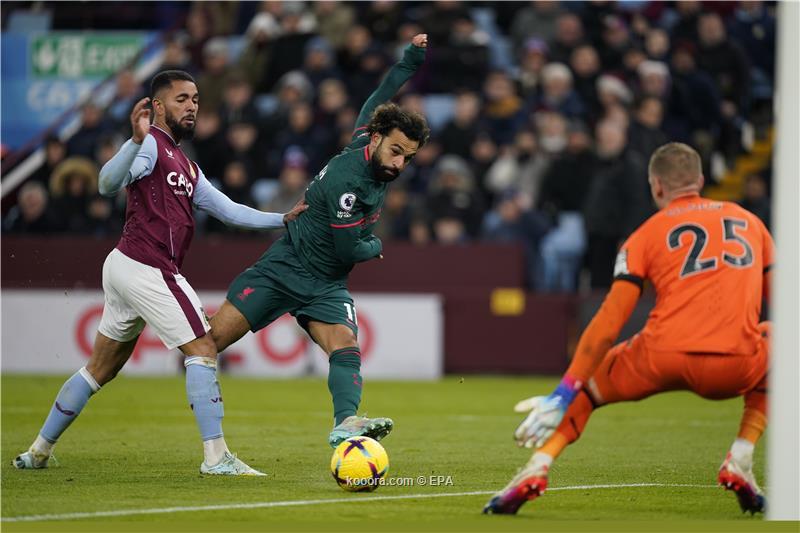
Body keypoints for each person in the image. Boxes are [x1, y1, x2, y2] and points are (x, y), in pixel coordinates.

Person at [13, 70, 306, 476]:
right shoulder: (150, 144)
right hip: (146, 264)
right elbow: (106, 184)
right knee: (203, 348)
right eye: (182, 99)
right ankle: (216, 458)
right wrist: (133, 142)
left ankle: (38, 451)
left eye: (196, 99)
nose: (192, 106)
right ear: (158, 106)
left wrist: (281, 219)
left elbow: (228, 210)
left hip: (124, 265)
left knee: (100, 368)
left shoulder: (186, 165)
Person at [484, 143, 773, 515]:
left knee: (587, 392)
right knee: (776, 340)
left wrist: (564, 390)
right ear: (700, 180)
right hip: (736, 363)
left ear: (656, 186)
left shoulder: (645, 235)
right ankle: (742, 455)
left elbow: (609, 320)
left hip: (660, 356)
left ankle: (537, 465)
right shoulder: (751, 224)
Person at [208, 34, 430, 448]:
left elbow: (382, 93)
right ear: (378, 138)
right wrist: (376, 246)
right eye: (397, 152)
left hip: (326, 283)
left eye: (408, 157)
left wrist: (411, 59)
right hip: (286, 266)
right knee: (210, 343)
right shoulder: (350, 184)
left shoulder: (367, 140)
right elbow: (350, 249)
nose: (400, 164)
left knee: (345, 343)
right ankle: (210, 440)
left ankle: (346, 422)